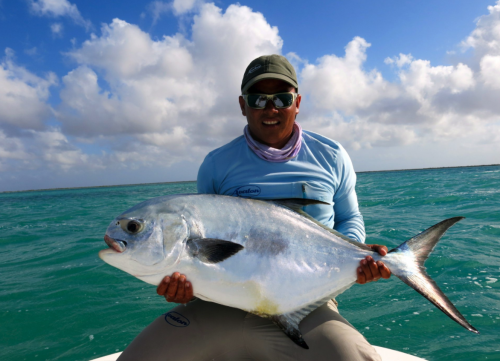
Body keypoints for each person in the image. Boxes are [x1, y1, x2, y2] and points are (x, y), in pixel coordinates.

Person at [118, 55, 391, 361]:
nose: (270, 108)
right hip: (221, 302)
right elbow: (205, 258)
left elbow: (349, 217)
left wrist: (357, 254)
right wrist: (184, 286)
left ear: (297, 102)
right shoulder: (217, 164)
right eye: (258, 98)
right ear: (242, 105)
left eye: (282, 98)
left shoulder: (332, 156)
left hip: (307, 302)